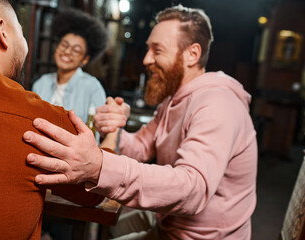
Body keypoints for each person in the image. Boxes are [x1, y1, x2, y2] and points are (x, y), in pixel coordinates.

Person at [23, 5, 258, 240]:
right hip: (167, 224)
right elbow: (141, 147)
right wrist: (115, 127)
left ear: (192, 54)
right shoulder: (173, 100)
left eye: (157, 50)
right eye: (148, 49)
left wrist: (100, 166)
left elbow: (192, 189)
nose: (146, 59)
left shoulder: (217, 104)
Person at [0, 0, 103, 239]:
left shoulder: (90, 87)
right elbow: (93, 188)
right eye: (20, 30)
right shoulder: (40, 115)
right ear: (2, 30)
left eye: (76, 50)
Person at [32, 8, 107, 123]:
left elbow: (97, 132)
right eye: (64, 45)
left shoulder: (93, 89)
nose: (67, 52)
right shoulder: (41, 84)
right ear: (56, 47)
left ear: (85, 59)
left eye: (76, 50)